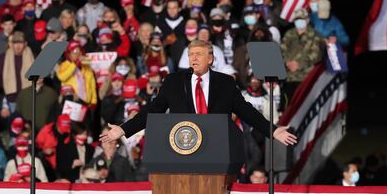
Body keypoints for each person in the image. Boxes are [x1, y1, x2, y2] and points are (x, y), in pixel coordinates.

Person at [101, 40, 297, 146]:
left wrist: (272, 130)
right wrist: (123, 129)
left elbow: (246, 111)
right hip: (184, 147)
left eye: (198, 54)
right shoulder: (174, 81)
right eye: (190, 55)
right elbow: (153, 110)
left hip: (216, 147)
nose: (193, 58)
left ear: (210, 59)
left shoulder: (225, 83)